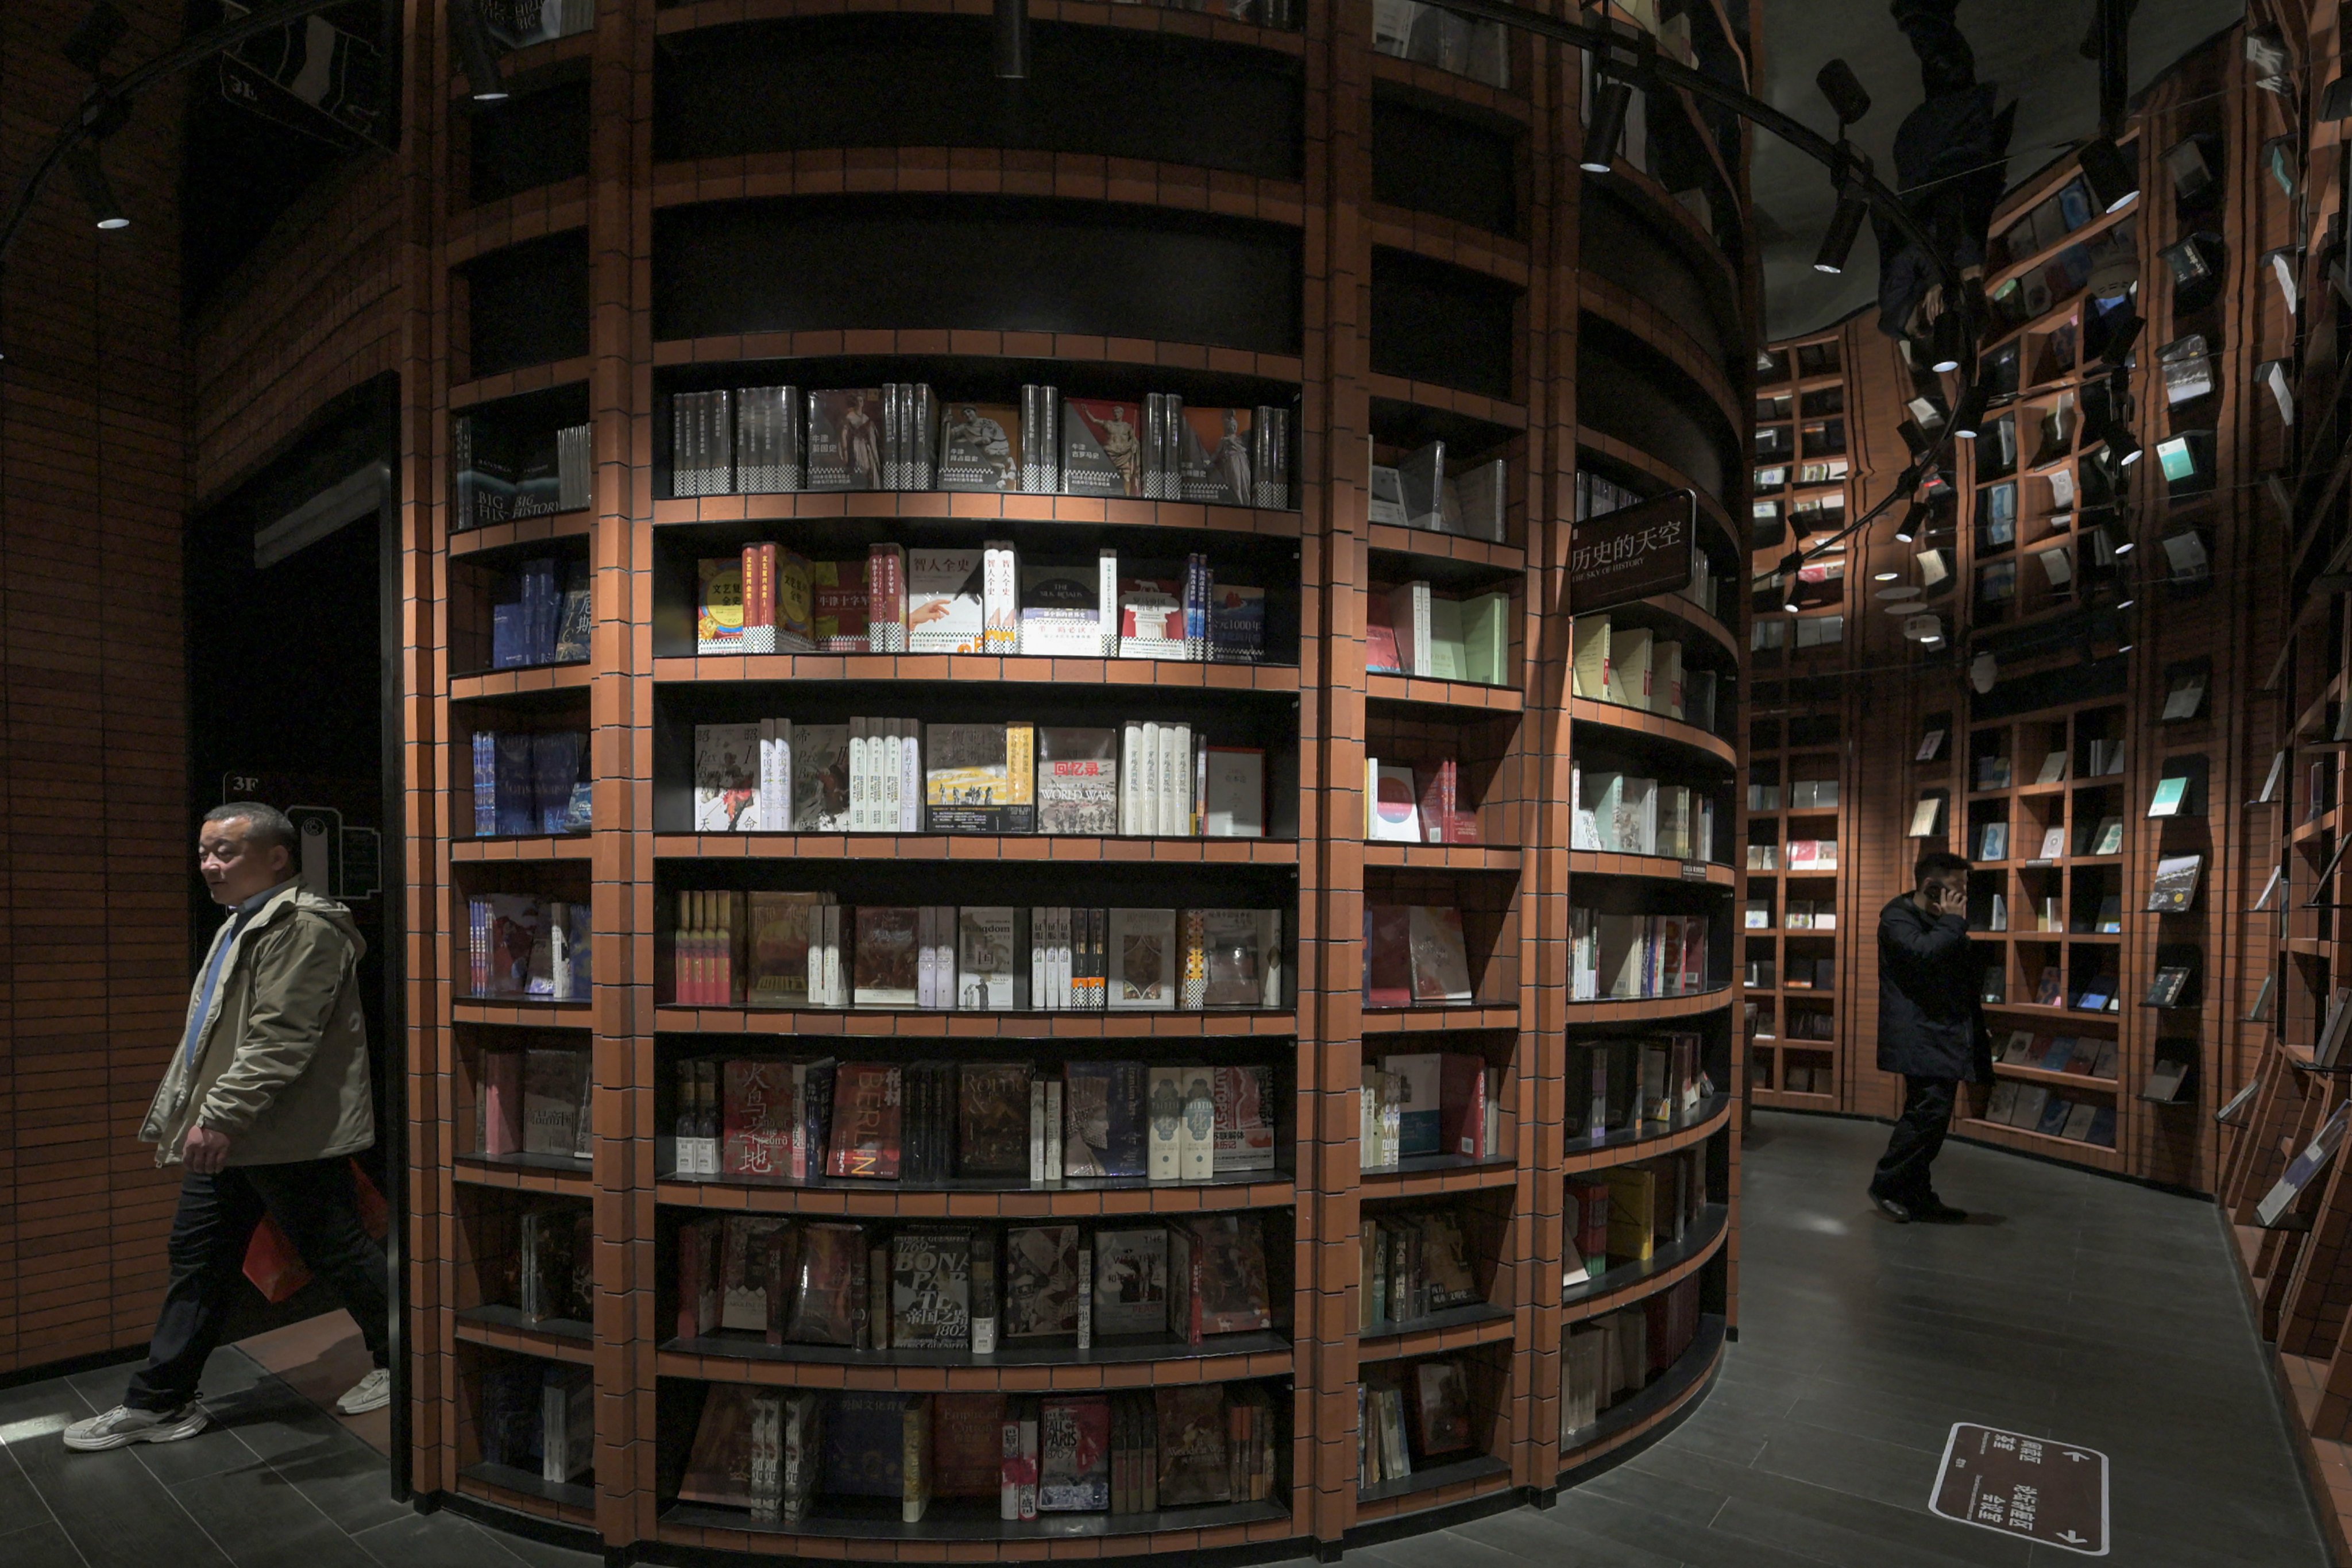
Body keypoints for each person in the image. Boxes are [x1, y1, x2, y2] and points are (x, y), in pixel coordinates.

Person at [64, 803, 389, 1450]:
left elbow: (280, 1040)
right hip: (244, 1133)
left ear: (277, 857)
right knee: (200, 1258)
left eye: (227, 852)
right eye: (206, 852)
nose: (210, 865)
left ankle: (410, 1362)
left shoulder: (302, 927)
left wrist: (219, 1116)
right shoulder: (244, 923)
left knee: (338, 1252)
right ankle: (161, 1401)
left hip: (282, 1134)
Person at [1869, 849, 1992, 1223]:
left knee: (1932, 1118)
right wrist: (1953, 923)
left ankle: (1917, 1194)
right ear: (1930, 886)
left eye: (1964, 888)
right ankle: (1886, 1185)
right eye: (1956, 888)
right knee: (1925, 1115)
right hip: (1919, 1035)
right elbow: (1922, 956)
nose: (1962, 897)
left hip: (1945, 1032)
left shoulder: (1939, 919)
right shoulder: (1897, 919)